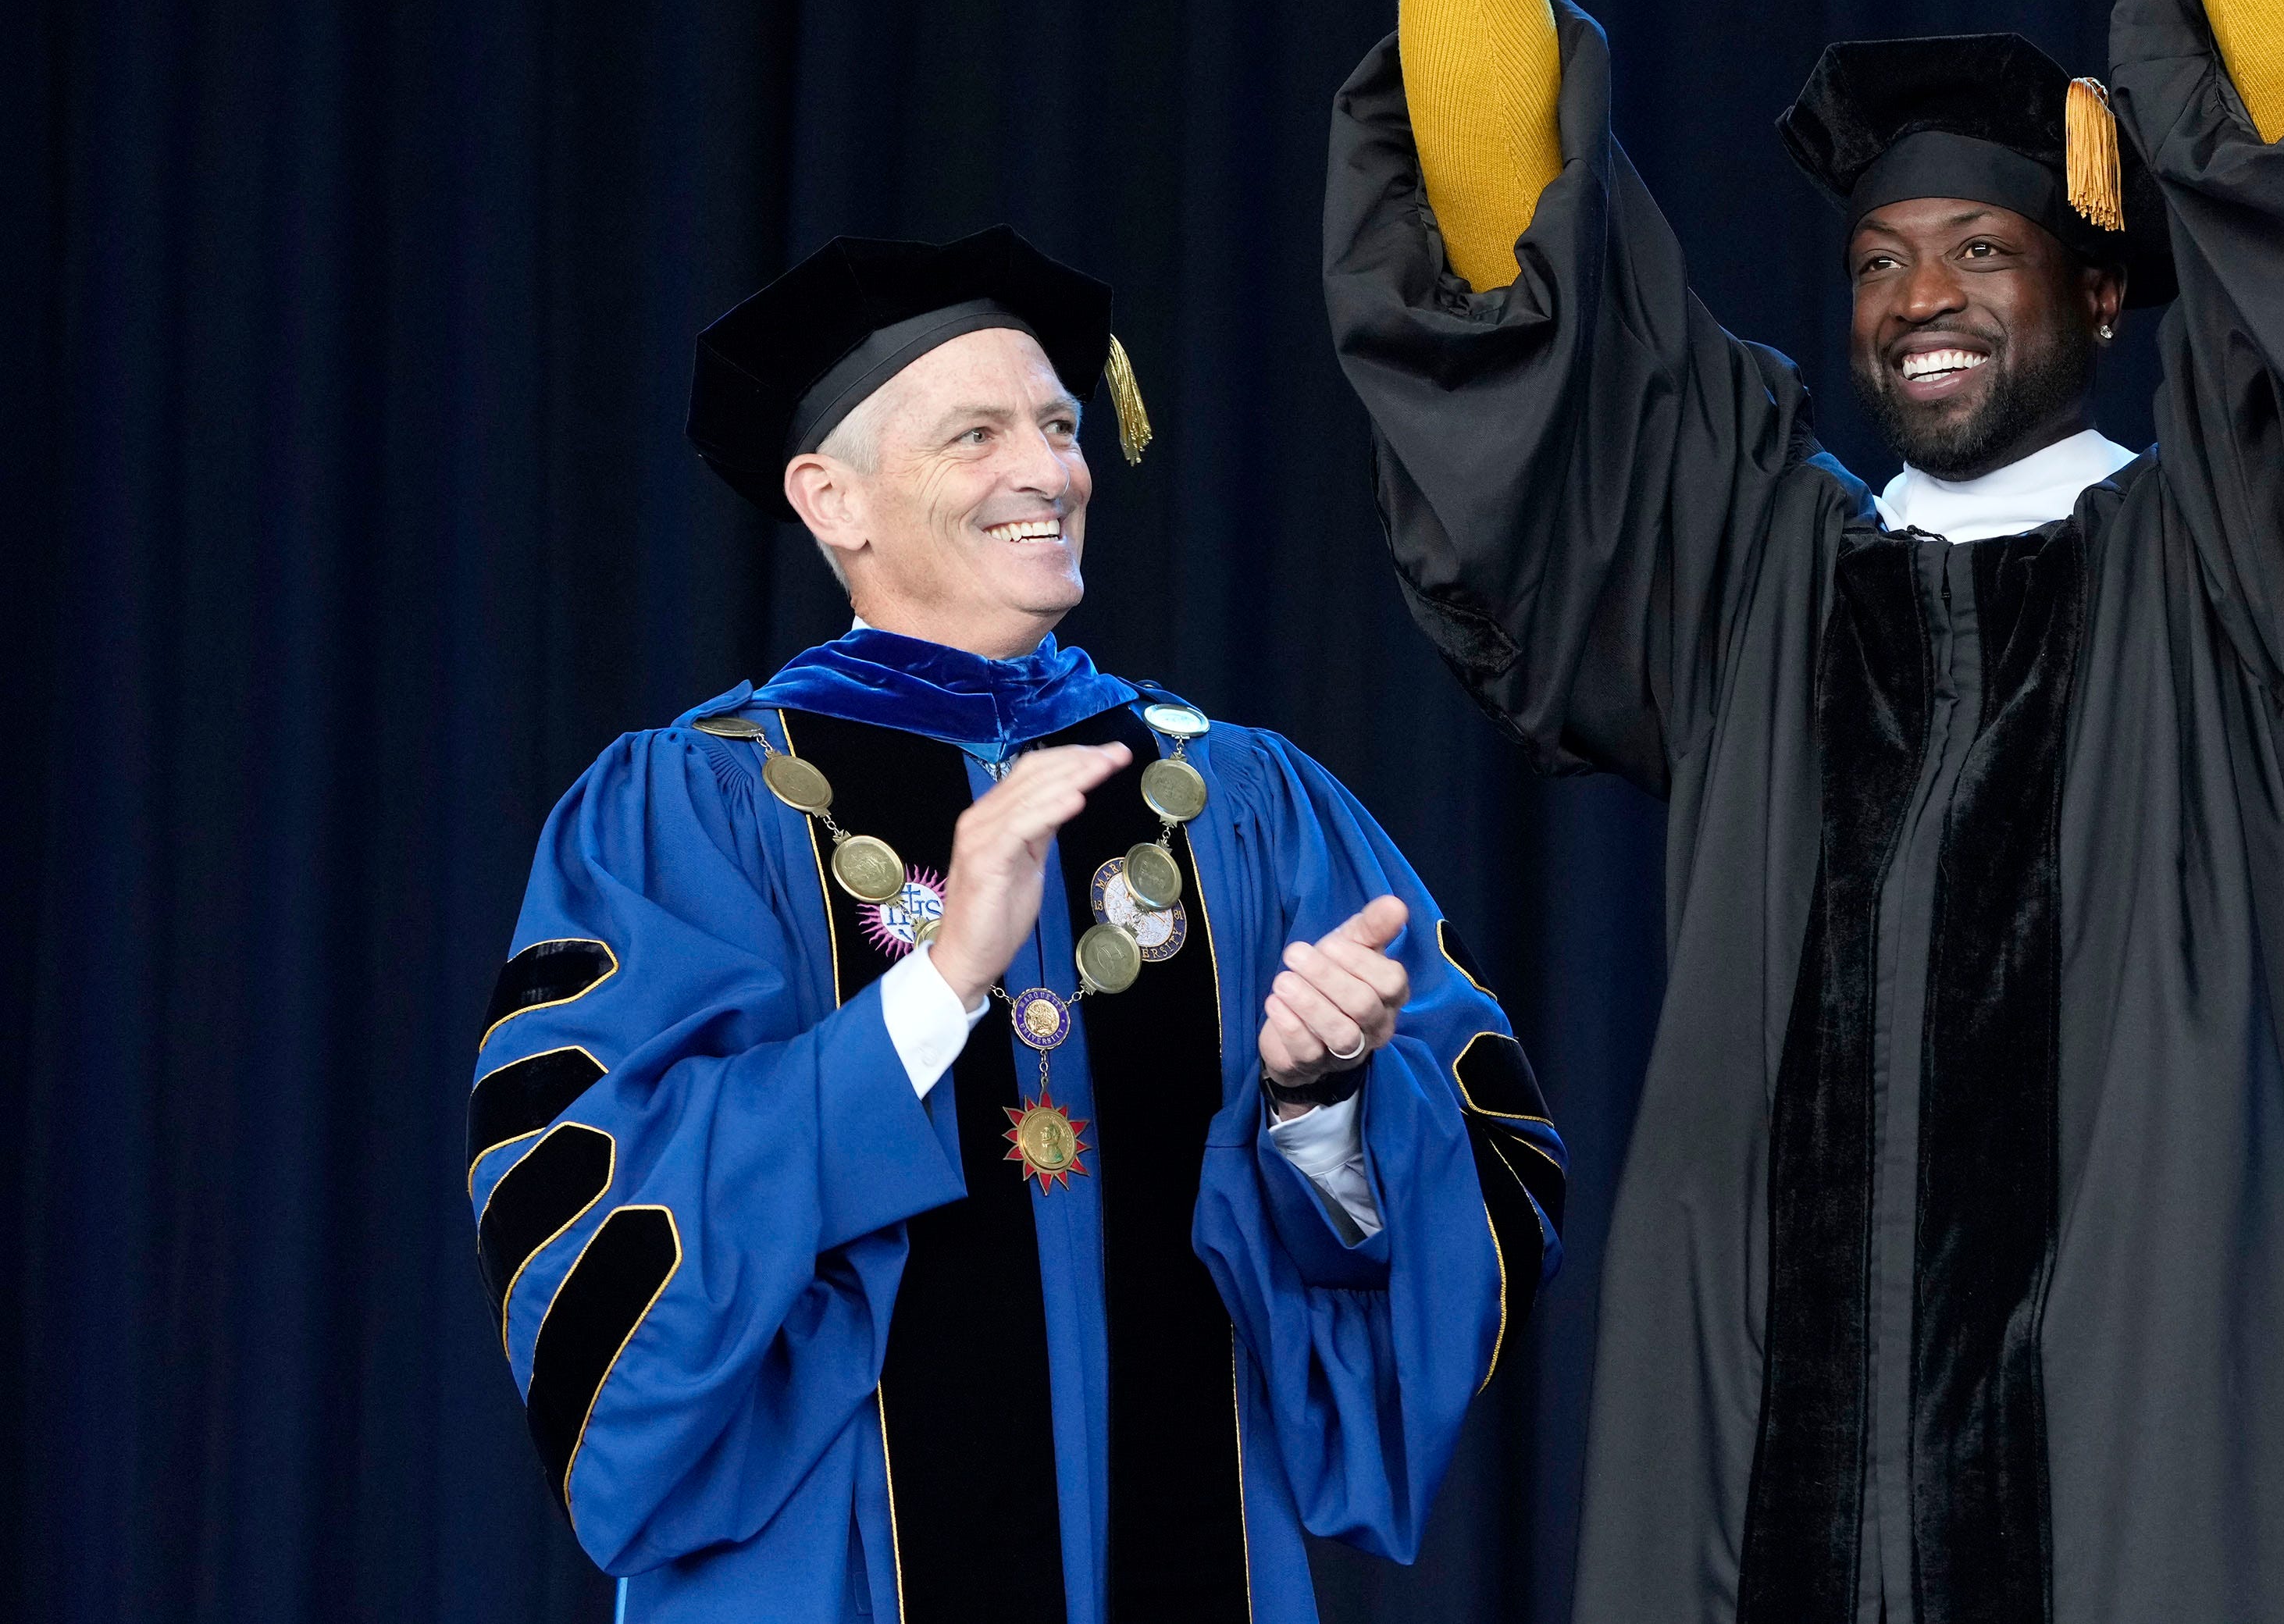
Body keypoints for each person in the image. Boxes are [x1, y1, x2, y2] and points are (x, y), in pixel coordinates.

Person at [1324, 0, 2284, 1624]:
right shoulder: (1763, 584)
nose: (1918, 295)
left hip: (2144, 1483)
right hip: (1766, 1484)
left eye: (1981, 248)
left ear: (2105, 294)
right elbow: (1511, 276)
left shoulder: (2236, 569)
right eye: (1877, 260)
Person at [469, 227, 1562, 1623]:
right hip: (834, 1566)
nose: (1048, 470)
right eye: (975, 435)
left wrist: (1325, 1106)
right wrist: (938, 989)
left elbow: (1474, 1188)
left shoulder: (1239, 799)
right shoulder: (693, 811)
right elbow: (603, 1208)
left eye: (1057, 424)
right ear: (832, 500)